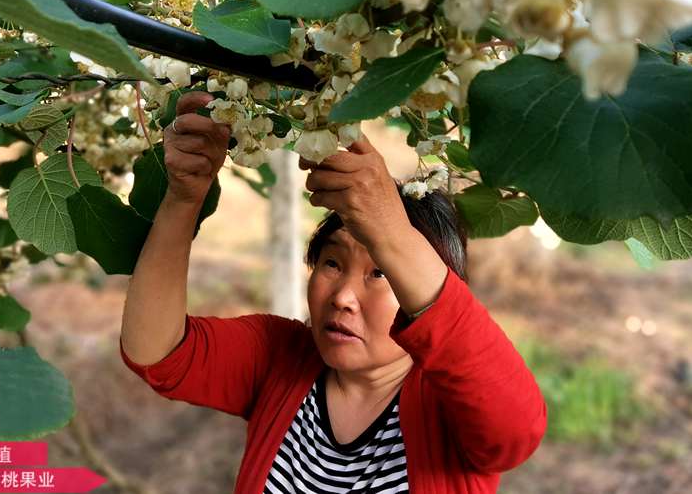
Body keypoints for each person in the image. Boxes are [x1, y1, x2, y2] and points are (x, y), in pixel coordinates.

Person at [120, 91, 547, 493]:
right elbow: (157, 353)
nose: (342, 296)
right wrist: (183, 199)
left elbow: (516, 432)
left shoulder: (450, 405)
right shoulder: (282, 359)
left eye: (380, 273)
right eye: (331, 263)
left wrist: (391, 230)